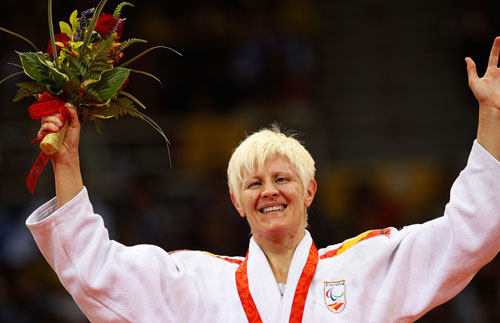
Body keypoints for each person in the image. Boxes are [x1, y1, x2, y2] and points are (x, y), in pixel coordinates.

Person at [26, 37, 500, 323]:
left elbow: (466, 235)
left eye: (282, 179)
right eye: (253, 184)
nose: (269, 191)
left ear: (310, 190)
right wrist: (67, 163)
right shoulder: (196, 282)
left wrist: (492, 115)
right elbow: (97, 274)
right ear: (236, 201)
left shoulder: (366, 265)